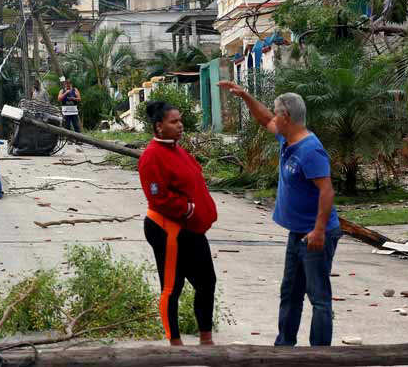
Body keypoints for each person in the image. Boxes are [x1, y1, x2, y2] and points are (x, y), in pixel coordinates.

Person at [218, 82, 340, 347]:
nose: (273, 117)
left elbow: (327, 191)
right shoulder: (287, 137)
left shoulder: (311, 150)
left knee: (318, 298)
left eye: (277, 112)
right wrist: (245, 96)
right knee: (290, 293)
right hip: (297, 233)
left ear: (286, 117)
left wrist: (319, 231)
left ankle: (320, 357)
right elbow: (263, 119)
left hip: (316, 235)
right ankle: (284, 349)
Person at [138, 101, 218, 347]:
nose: (180, 125)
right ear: (159, 127)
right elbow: (157, 196)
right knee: (172, 286)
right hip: (168, 229)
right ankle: (175, 344)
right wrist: (188, 208)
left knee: (207, 281)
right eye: (174, 122)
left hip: (191, 229)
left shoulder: (177, 149)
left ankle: (206, 340)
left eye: (180, 120)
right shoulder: (152, 156)